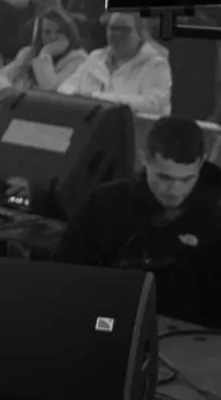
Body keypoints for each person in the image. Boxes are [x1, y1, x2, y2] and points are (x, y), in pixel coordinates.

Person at [57, 117, 221, 327]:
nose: (174, 190)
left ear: (201, 163)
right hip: (107, 321)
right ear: (145, 160)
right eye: (164, 177)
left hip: (191, 337)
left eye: (187, 179)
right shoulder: (107, 204)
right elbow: (65, 273)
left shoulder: (214, 218)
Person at [58, 11, 173, 117]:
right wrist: (76, 97)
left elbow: (153, 103)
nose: (117, 34)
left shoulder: (156, 64)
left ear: (140, 35)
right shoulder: (95, 57)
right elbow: (66, 86)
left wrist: (96, 99)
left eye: (124, 29)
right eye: (112, 28)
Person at [0, 8, 89, 95]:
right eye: (47, 32)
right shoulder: (28, 52)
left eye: (59, 32)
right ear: (39, 34)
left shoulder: (79, 59)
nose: (53, 37)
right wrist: (5, 87)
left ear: (69, 33)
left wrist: (46, 53)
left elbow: (51, 90)